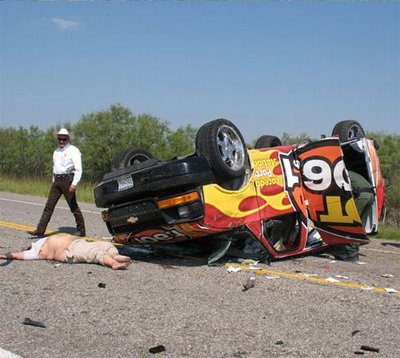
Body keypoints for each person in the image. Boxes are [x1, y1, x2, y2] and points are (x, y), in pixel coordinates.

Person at [28, 128, 86, 237]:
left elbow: (79, 169)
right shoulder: (56, 151)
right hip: (57, 181)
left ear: (68, 139)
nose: (62, 141)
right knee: (49, 206)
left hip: (68, 180)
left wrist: (74, 183)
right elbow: (55, 168)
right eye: (60, 139)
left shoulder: (74, 150)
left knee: (73, 206)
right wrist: (53, 181)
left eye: (64, 139)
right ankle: (40, 230)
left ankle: (81, 230)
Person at [0, 233, 131, 270]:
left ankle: (115, 256)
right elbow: (15, 255)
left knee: (107, 245)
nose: (24, 247)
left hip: (81, 242)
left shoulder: (41, 240)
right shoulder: (34, 251)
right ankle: (113, 263)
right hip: (70, 250)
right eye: (24, 248)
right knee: (94, 253)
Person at [326, 170, 375, 261]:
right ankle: (354, 249)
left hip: (361, 196)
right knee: (360, 225)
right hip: (370, 195)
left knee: (351, 223)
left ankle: (350, 253)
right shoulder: (348, 172)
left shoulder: (336, 174)